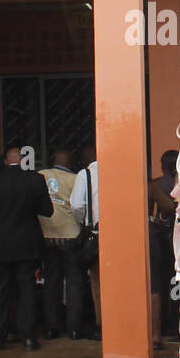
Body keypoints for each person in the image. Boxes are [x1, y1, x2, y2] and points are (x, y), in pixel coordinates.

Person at [0, 144, 53, 351]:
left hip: (0, 245)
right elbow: (47, 211)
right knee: (27, 291)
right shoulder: (35, 180)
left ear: (5, 162)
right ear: (24, 161)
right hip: (27, 245)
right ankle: (28, 338)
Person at [37, 149, 80, 339]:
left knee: (51, 282)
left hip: (47, 235)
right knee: (73, 283)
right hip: (70, 235)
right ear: (69, 163)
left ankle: (52, 327)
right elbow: (79, 206)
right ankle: (74, 328)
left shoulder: (41, 175)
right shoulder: (75, 179)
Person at [148, 149, 180, 347]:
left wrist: (160, 219)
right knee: (179, 281)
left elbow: (166, 208)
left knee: (159, 282)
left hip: (160, 238)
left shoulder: (156, 184)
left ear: (162, 164)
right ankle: (176, 326)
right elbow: (171, 207)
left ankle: (164, 327)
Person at [70, 143, 102, 339]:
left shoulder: (85, 174)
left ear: (85, 159)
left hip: (96, 232)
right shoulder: (117, 169)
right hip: (120, 230)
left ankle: (102, 323)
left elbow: (76, 205)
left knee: (97, 281)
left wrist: (82, 220)